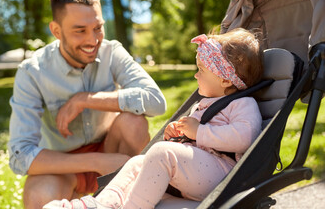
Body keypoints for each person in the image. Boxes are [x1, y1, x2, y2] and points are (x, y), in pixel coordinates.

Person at [42, 28, 264, 209]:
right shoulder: (205, 103)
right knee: (139, 161)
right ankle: (101, 204)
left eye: (201, 70)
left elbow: (245, 137)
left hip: (221, 173)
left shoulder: (243, 104)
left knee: (160, 153)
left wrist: (199, 132)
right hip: (197, 173)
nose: (196, 75)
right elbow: (192, 141)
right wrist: (179, 136)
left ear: (225, 80)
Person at [8, 0, 166, 209]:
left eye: (98, 28)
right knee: (39, 195)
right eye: (80, 30)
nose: (93, 40)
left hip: (112, 147)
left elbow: (156, 102)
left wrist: (86, 99)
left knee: (134, 122)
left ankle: (131, 201)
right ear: (56, 31)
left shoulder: (112, 52)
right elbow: (19, 155)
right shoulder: (31, 72)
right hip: (63, 166)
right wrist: (97, 161)